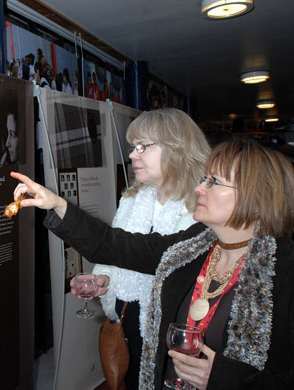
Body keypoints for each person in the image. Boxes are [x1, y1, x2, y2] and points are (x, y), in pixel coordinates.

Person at [11, 138, 294, 389]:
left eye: (213, 182)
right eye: (204, 178)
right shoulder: (194, 245)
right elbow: (117, 245)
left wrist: (223, 378)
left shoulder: (284, 272)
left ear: (257, 200)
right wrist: (58, 205)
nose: (199, 188)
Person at [91, 108, 210, 388]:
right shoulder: (132, 199)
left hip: (172, 329)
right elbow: (117, 251)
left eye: (143, 146)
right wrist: (103, 278)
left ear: (177, 149)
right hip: (126, 319)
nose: (133, 154)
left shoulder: (202, 205)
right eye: (133, 147)